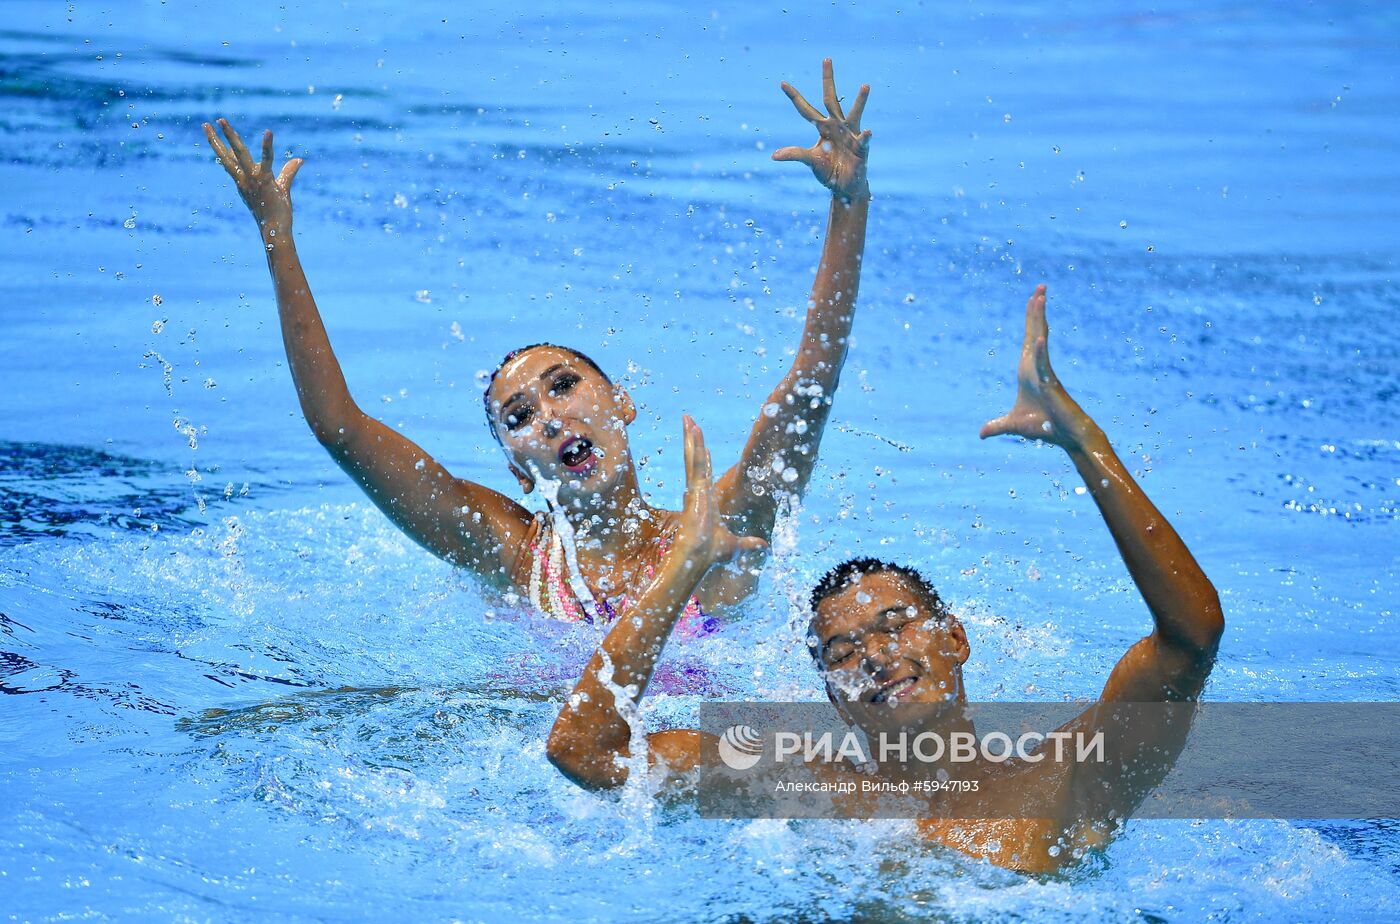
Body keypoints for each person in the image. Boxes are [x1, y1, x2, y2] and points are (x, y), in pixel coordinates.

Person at [546, 285, 1225, 873]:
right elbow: (583, 751)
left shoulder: (1067, 779)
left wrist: (1086, 445)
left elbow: (1191, 637)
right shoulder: (803, 787)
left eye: (895, 626)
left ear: (956, 639)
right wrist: (682, 570)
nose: (872, 656)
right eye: (840, 653)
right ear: (835, 699)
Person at [201, 59, 871, 628]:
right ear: (520, 474)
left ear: (623, 404)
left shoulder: (715, 537)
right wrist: (276, 237)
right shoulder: (513, 556)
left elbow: (809, 391)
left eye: (563, 384)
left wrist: (849, 203)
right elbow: (339, 429)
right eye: (519, 418)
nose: (549, 417)